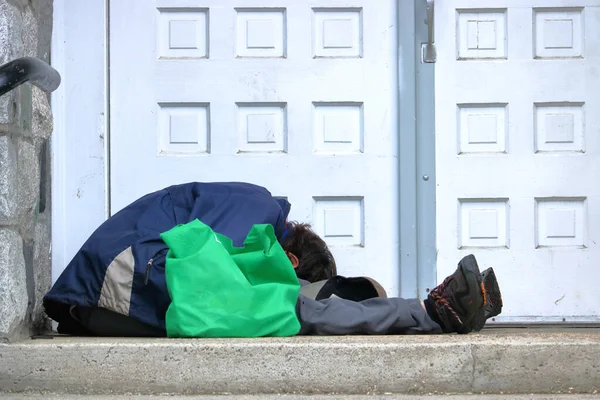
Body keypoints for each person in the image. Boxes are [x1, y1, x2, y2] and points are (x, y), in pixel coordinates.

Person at [43, 182, 501, 337]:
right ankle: (428, 312)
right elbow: (217, 266)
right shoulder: (258, 206)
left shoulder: (246, 212)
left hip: (107, 298)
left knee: (285, 310)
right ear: (291, 258)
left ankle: (419, 312)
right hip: (127, 275)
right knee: (291, 310)